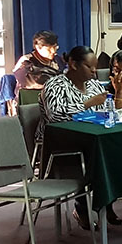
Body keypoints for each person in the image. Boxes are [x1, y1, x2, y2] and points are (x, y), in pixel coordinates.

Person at [37, 46, 112, 226]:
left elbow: (104, 112)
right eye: (89, 67)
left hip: (90, 137)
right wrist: (88, 103)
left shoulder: (93, 84)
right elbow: (56, 115)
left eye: (95, 67)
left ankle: (107, 200)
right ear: (73, 64)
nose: (94, 71)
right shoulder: (54, 85)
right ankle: (82, 207)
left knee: (113, 149)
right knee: (96, 155)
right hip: (60, 145)